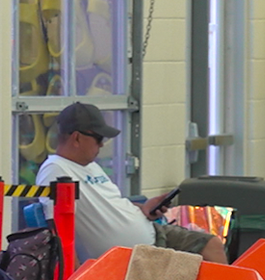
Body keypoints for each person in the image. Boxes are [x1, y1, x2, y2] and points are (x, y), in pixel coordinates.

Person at [35, 102, 228, 265]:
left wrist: (144, 208)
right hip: (136, 256)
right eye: (98, 138)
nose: (102, 145)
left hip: (151, 236)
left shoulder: (89, 165)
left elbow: (109, 204)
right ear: (76, 138)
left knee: (212, 245)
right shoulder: (56, 171)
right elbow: (59, 231)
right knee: (203, 259)